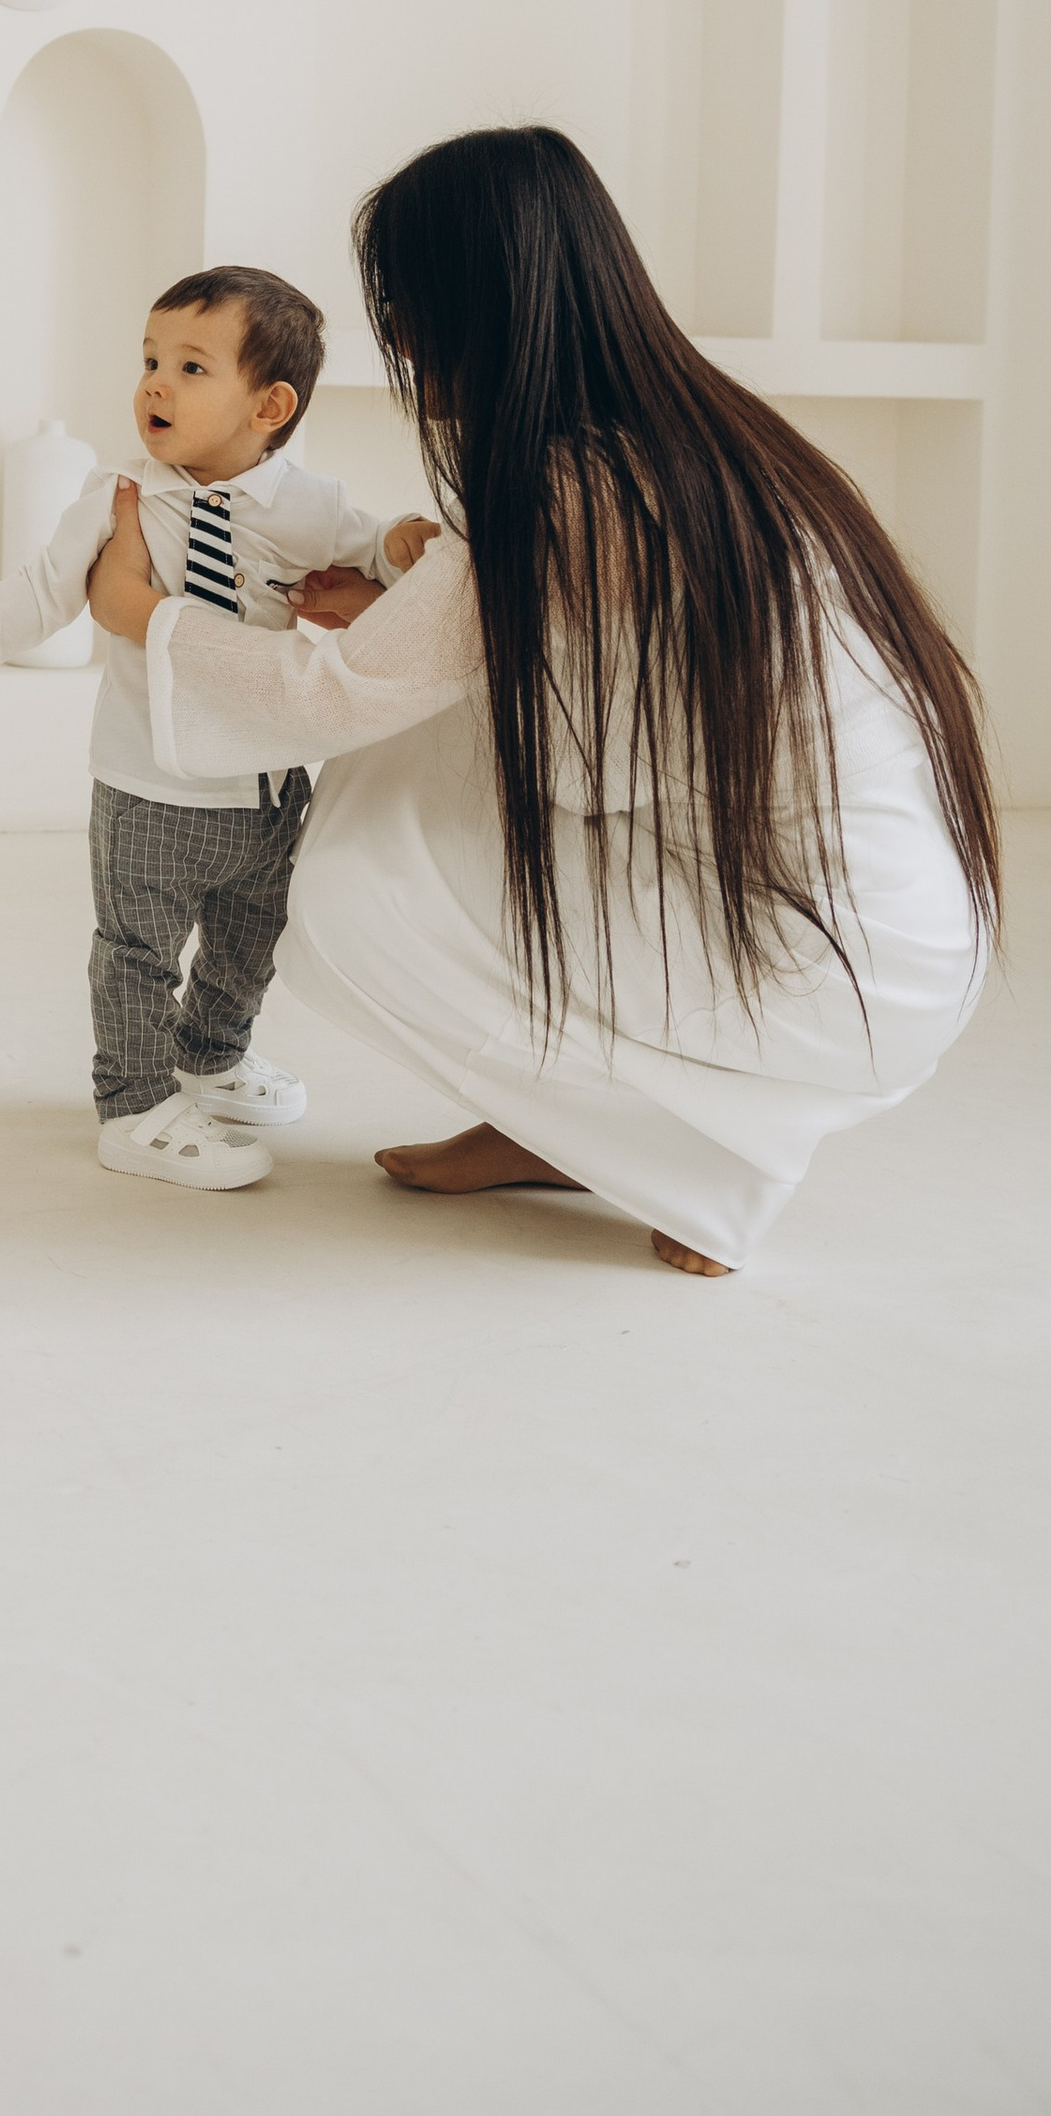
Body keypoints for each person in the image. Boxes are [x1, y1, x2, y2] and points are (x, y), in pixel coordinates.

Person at [84, 131, 996, 1276]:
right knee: (415, 773)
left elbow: (341, 694)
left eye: (403, 304)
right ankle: (553, 1125)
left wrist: (144, 618)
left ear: (470, 305)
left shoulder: (566, 489)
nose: (400, 341)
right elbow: (579, 696)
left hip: (823, 963)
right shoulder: (694, 435)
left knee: (356, 874)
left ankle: (692, 1164)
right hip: (895, 932)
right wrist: (407, 599)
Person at [0, 267, 432, 1194]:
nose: (154, 382)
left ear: (269, 405)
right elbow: (42, 588)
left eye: (192, 367)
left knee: (251, 938)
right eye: (151, 359)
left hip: (268, 783)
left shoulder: (308, 505)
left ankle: (211, 1057)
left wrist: (401, 544)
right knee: (137, 950)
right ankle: (135, 1102)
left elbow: (367, 553)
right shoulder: (122, 496)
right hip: (150, 780)